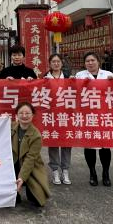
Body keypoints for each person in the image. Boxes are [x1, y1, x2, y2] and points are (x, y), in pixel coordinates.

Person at [75, 51, 113, 187]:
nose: (90, 63)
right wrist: (82, 85)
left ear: (99, 61)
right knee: (90, 146)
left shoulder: (108, 75)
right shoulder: (80, 75)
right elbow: (73, 93)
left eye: (93, 60)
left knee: (105, 146)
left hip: (105, 115)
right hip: (88, 115)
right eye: (87, 61)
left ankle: (106, 173)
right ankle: (92, 173)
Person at [11, 102, 50, 207]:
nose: (24, 116)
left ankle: (28, 186)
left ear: (32, 115)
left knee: (36, 199)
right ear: (16, 115)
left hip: (30, 165)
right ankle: (14, 194)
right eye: (21, 113)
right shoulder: (11, 127)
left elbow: (30, 159)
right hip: (13, 163)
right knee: (12, 199)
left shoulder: (36, 135)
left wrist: (21, 178)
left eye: (27, 113)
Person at [44, 53, 72, 185]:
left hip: (66, 115)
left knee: (66, 143)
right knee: (53, 142)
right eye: (53, 62)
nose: (56, 64)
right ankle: (55, 170)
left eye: (58, 61)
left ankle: (65, 170)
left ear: (62, 63)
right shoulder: (45, 78)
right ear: (50, 64)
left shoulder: (68, 77)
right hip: (51, 116)